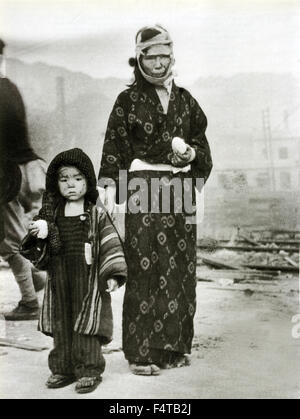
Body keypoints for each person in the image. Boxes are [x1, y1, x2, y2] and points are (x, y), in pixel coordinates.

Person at [99, 25, 213, 376]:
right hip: (142, 190)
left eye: (165, 55)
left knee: (180, 268)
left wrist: (192, 154)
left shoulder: (187, 100)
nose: (160, 63)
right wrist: (111, 192)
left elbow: (202, 146)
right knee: (145, 266)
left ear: (171, 56)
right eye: (152, 56)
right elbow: (114, 148)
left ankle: (174, 346)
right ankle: (141, 353)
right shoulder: (127, 101)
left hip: (178, 192)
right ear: (140, 59)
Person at [28, 148, 127, 393]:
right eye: (64, 179)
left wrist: (114, 274)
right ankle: (62, 367)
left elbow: (109, 241)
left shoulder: (95, 212)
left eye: (78, 178)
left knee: (87, 322)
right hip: (59, 275)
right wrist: (40, 232)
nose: (71, 185)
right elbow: (39, 249)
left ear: (88, 181)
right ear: (56, 183)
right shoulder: (53, 215)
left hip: (87, 276)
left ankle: (89, 369)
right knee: (62, 321)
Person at [0, 38, 47, 321]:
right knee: (6, 238)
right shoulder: (10, 88)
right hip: (22, 170)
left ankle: (30, 302)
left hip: (6, 175)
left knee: (11, 241)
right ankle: (35, 279)